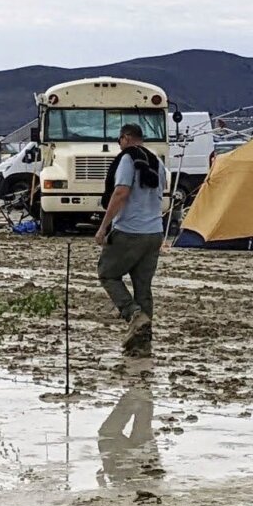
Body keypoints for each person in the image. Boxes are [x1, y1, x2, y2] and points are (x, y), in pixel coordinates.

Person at [95, 123, 166, 357]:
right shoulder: (158, 163)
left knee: (107, 273)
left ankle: (134, 315)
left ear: (125, 138)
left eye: (119, 141)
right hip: (154, 232)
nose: (119, 145)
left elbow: (121, 192)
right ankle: (142, 345)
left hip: (129, 230)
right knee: (143, 287)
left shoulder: (127, 160)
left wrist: (103, 227)